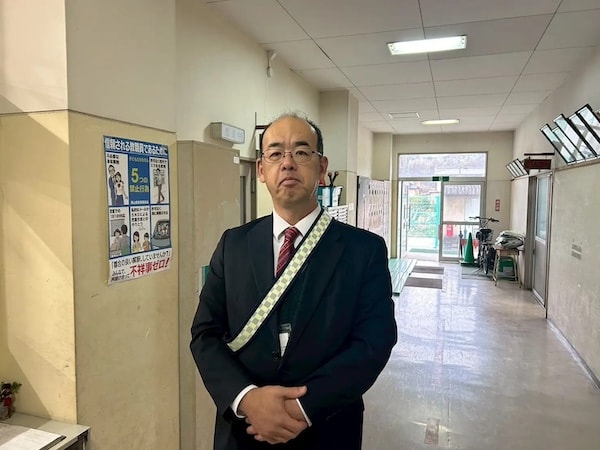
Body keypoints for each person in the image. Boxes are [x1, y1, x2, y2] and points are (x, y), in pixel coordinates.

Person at [190, 112, 397, 450]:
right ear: (261, 169)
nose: (287, 163)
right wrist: (246, 398)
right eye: (275, 153)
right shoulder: (233, 245)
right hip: (243, 431)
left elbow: (374, 342)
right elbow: (205, 333)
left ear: (322, 167)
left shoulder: (363, 250)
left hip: (326, 428)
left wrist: (303, 407)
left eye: (301, 152)